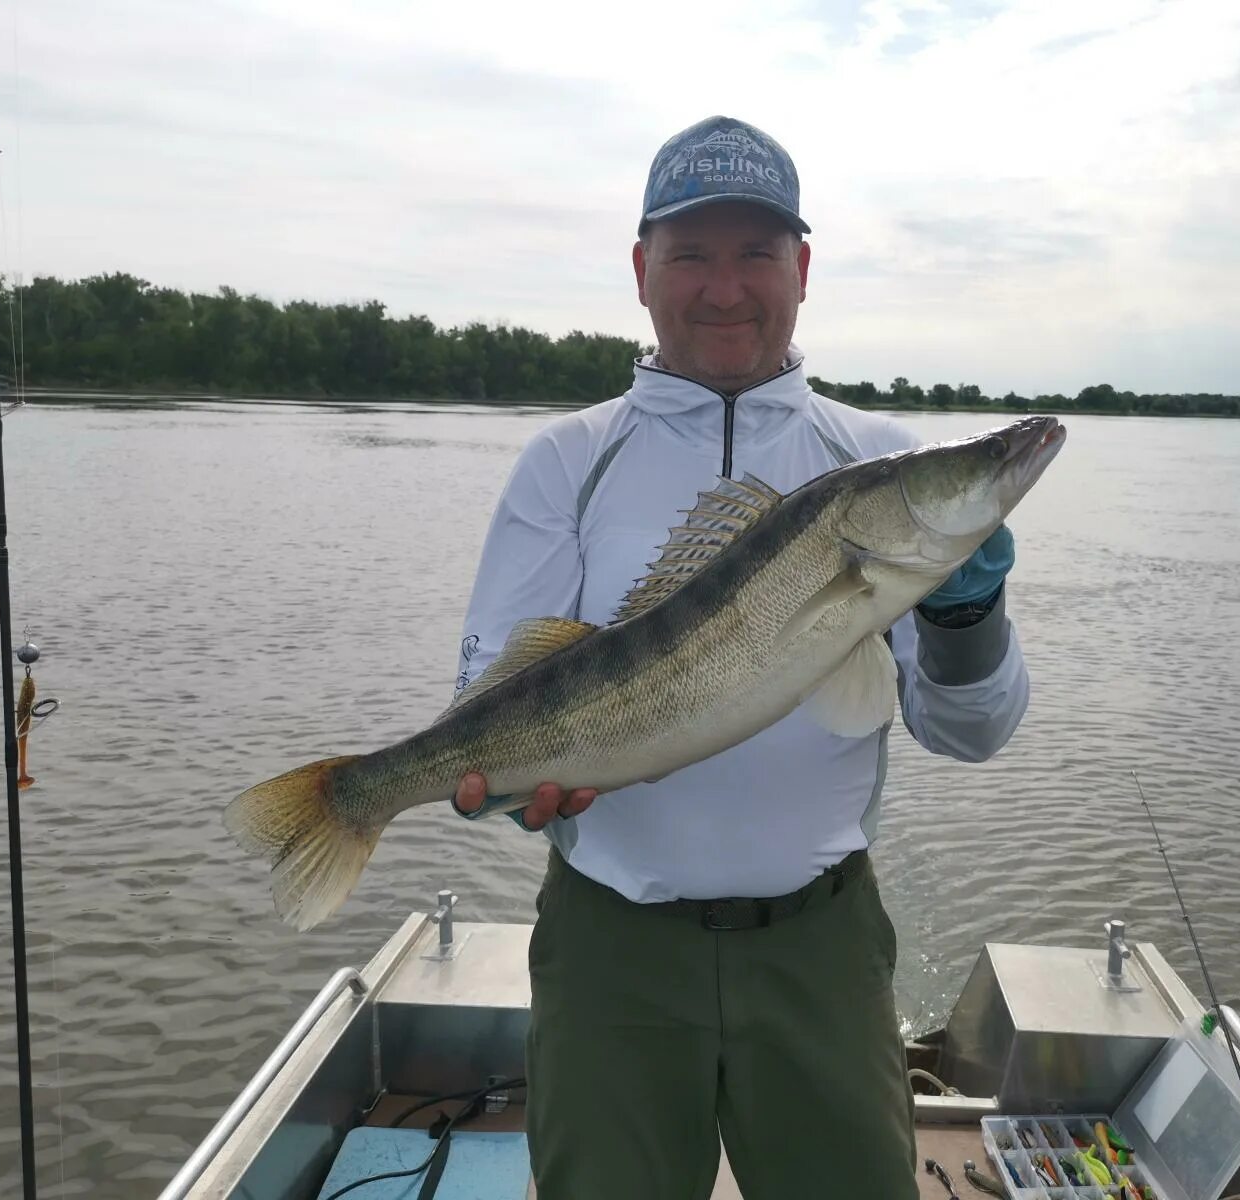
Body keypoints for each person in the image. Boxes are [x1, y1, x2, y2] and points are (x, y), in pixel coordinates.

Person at [451, 115, 1030, 1199]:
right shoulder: (564, 462)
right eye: (692, 254)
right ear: (640, 270)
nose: (726, 287)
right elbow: (485, 704)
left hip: (820, 946)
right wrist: (487, 788)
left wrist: (964, 619)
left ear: (802, 269)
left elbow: (969, 732)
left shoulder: (879, 466)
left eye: (756, 252)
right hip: (608, 948)